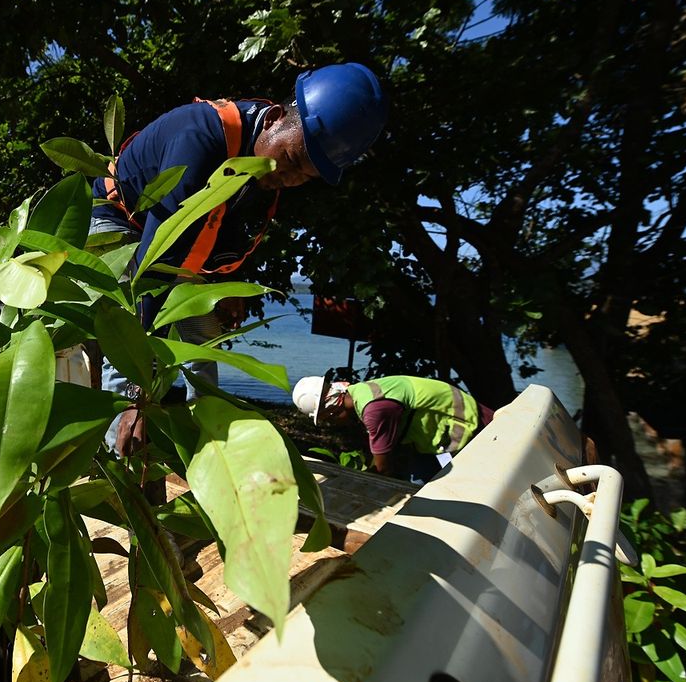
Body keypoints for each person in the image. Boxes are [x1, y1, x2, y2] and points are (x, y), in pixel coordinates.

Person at [92, 63, 388, 456]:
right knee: (126, 332)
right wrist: (138, 393)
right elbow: (155, 263)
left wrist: (224, 288)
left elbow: (221, 231)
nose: (290, 178)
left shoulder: (257, 163)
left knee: (202, 334)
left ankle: (210, 441)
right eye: (291, 159)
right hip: (117, 222)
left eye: (305, 176)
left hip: (167, 245)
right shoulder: (199, 140)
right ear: (275, 118)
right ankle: (122, 453)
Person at [292, 374, 495, 484]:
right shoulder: (363, 392)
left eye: (327, 419)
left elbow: (383, 468)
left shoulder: (375, 410)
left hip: (472, 429)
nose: (331, 424)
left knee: (464, 490)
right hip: (434, 437)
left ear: (332, 409)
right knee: (420, 484)